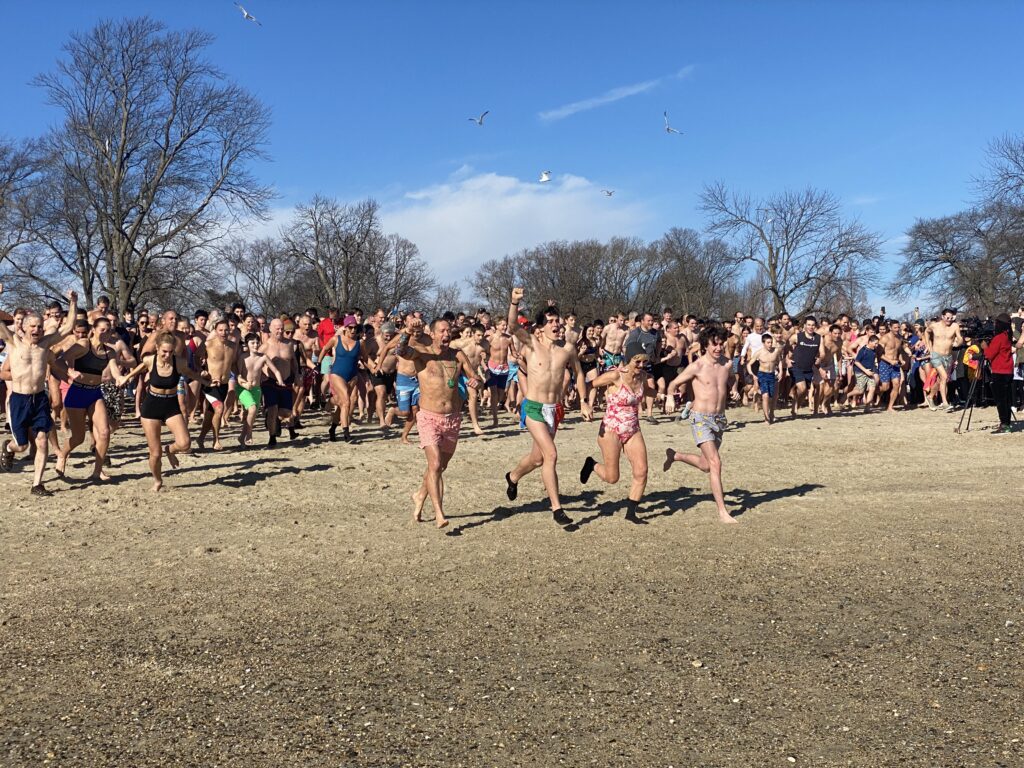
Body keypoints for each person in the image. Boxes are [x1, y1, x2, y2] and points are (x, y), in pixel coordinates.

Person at [503, 288, 591, 527]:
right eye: (551, 322)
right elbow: (512, 326)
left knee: (538, 458)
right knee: (551, 454)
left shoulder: (567, 349)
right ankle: (557, 509)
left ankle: (512, 477)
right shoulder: (531, 343)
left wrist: (584, 401)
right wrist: (514, 302)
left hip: (555, 410)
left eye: (557, 321)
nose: (556, 325)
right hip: (532, 408)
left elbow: (580, 375)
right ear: (540, 327)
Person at [398, 318, 480, 528]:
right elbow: (401, 350)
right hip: (428, 416)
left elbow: (475, 377)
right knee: (434, 464)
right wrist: (407, 331)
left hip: (452, 418)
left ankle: (419, 495)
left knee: (439, 466)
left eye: (448, 331)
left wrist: (474, 381)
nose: (446, 334)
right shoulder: (421, 353)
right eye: (441, 331)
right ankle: (439, 513)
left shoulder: (457, 355)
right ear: (432, 334)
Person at [0, 286, 79, 494]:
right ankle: (9, 448)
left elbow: (68, 326)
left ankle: (37, 484)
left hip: (39, 398)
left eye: (39, 326)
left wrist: (73, 302)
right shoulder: (14, 342)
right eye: (33, 326)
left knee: (42, 440)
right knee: (22, 446)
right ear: (25, 328)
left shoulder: (46, 344)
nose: (36, 330)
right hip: (18, 400)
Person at [116, 331, 210, 491]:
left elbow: (188, 372)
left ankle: (170, 450)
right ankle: (157, 480)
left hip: (171, 405)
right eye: (164, 351)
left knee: (185, 443)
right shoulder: (150, 360)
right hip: (151, 406)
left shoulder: (178, 362)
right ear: (157, 348)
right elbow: (140, 367)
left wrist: (204, 381)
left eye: (170, 351)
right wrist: (126, 378)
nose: (167, 355)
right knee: (155, 453)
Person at [664, 325, 738, 524]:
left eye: (721, 344)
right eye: (714, 344)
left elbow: (730, 379)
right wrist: (670, 398)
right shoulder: (697, 366)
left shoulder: (727, 364)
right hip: (700, 419)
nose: (718, 348)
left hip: (719, 420)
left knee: (706, 465)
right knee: (716, 463)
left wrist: (734, 389)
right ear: (705, 345)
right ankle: (722, 511)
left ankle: (676, 455)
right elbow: (673, 384)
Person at [579, 342, 654, 523]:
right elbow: (590, 385)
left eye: (644, 362)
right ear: (629, 360)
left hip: (633, 429)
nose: (641, 366)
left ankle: (631, 513)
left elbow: (651, 391)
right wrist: (585, 403)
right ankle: (591, 464)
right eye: (637, 362)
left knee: (641, 471)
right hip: (611, 429)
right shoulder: (615, 376)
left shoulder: (643, 376)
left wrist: (665, 396)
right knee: (612, 477)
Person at [55, 317, 124, 481]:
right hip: (77, 392)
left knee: (105, 432)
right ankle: (62, 455)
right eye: (102, 330)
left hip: (95, 393)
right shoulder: (84, 345)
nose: (106, 333)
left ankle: (97, 471)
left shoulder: (110, 351)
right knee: (78, 437)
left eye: (109, 330)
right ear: (94, 329)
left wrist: (119, 378)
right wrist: (70, 372)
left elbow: (114, 370)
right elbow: (59, 360)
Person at [195, 319, 239, 451]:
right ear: (215, 330)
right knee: (219, 409)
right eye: (220, 330)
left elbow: (234, 364)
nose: (223, 332)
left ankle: (201, 438)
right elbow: (196, 357)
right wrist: (202, 371)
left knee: (210, 415)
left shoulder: (233, 345)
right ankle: (216, 440)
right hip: (210, 384)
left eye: (226, 330)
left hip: (224, 384)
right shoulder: (208, 344)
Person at [236, 333, 286, 446]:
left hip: (257, 389)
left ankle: (241, 437)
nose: (255, 345)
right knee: (252, 409)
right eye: (252, 343)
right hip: (243, 388)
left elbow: (276, 371)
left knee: (252, 415)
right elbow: (238, 376)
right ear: (247, 344)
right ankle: (249, 434)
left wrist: (280, 381)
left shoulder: (263, 357)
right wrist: (244, 384)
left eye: (257, 342)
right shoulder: (243, 357)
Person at [926, 309, 963, 411]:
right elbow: (926, 332)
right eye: (947, 318)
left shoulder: (955, 326)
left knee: (940, 380)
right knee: (944, 376)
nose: (949, 320)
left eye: (951, 318)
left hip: (948, 356)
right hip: (936, 355)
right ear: (942, 317)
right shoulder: (934, 326)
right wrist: (928, 346)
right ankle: (945, 403)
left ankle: (930, 397)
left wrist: (958, 343)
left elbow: (960, 338)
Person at [988, 313, 1015, 434]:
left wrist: (984, 347)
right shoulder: (1007, 336)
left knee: (1000, 399)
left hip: (999, 371)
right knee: (1006, 398)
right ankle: (1006, 423)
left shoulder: (999, 338)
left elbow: (989, 354)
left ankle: (1004, 424)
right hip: (1008, 370)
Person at [749, 332, 784, 424]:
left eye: (771, 342)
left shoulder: (776, 351)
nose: (770, 344)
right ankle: (766, 417)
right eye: (768, 342)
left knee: (772, 397)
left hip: (772, 374)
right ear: (763, 343)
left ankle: (771, 413)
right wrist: (753, 374)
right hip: (762, 375)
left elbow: (779, 361)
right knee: (765, 396)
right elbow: (749, 364)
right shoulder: (759, 353)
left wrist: (781, 372)